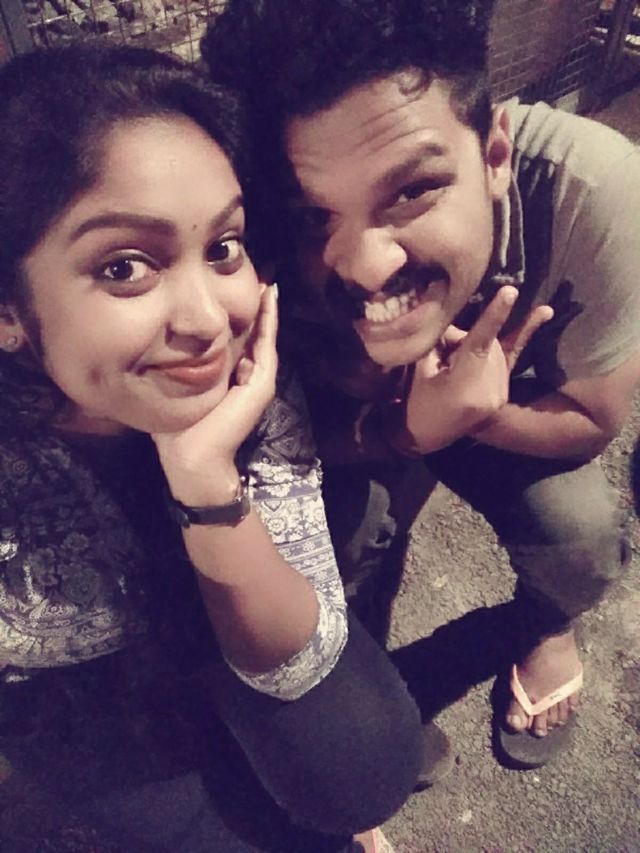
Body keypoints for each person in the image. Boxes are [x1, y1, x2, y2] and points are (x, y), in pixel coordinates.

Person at [0, 43, 424, 853]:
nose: (206, 320)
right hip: (87, 713)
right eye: (125, 265)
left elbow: (305, 676)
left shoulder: (244, 374)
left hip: (222, 630)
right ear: (8, 310)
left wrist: (204, 478)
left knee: (356, 764)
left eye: (224, 246)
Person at [201, 0, 640, 770]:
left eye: (412, 191)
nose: (368, 266)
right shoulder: (245, 238)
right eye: (313, 219)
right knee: (317, 554)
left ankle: (544, 621)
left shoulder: (598, 194)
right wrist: (401, 428)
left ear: (495, 154)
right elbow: (263, 446)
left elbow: (594, 418)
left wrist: (476, 414)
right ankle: (364, 705)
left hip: (504, 408)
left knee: (582, 534)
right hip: (356, 423)